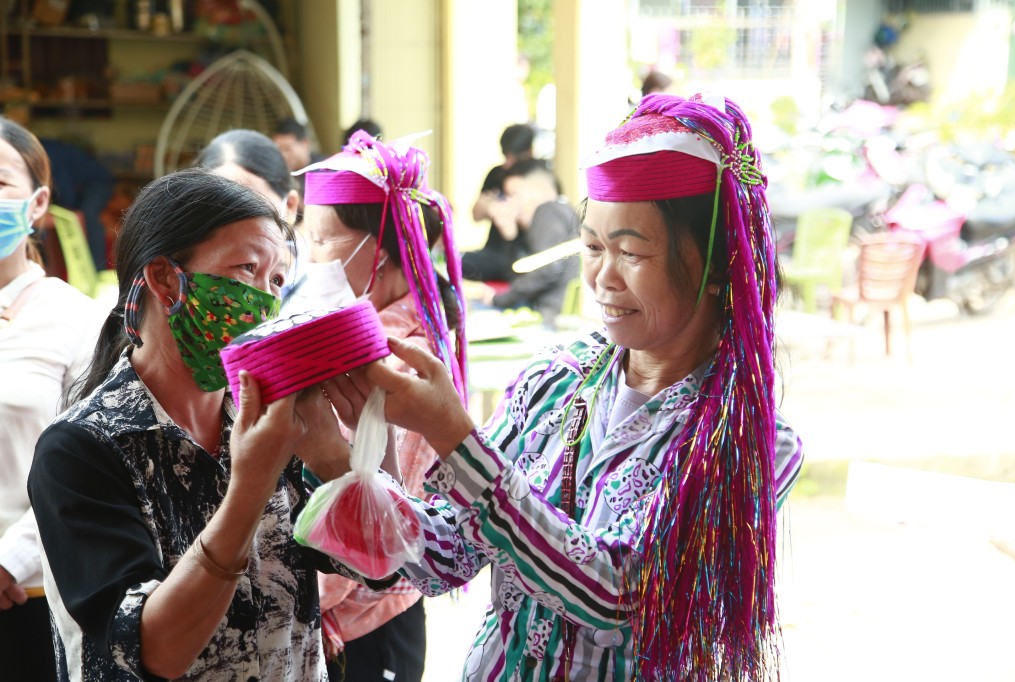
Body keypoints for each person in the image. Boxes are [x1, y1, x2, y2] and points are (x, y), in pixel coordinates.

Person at [335, 93, 805, 680]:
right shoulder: (555, 378)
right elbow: (448, 555)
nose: (602, 277)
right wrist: (334, 457)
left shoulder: (750, 438)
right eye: (592, 247)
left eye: (631, 251)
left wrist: (453, 435)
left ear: (714, 267)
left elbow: (620, 598)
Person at [27, 168, 370, 681]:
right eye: (245, 270)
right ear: (166, 279)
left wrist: (360, 442)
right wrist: (250, 489)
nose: (264, 301)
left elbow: (374, 565)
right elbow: (155, 650)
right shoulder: (81, 450)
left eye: (276, 280)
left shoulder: (275, 420)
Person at [296, 129, 466, 682]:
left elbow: (382, 505)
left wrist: (306, 600)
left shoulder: (398, 358)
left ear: (382, 250)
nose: (308, 254)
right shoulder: (374, 330)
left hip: (363, 615)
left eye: (324, 240)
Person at [0, 117, 104, 682]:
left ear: (38, 202)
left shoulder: (75, 319)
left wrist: (8, 561)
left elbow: (87, 468)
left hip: (32, 596)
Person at [194, 128, 304, 291]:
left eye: (254, 208)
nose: (237, 225)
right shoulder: (195, 288)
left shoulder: (323, 294)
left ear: (290, 207)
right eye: (219, 210)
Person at [483, 158, 579, 327]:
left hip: (550, 319)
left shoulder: (548, 211)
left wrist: (499, 300)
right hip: (548, 315)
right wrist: (510, 236)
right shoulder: (562, 212)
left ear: (542, 190)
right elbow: (519, 273)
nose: (510, 204)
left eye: (514, 195)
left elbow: (547, 269)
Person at [461, 123, 535, 282]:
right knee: (453, 262)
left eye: (514, 157)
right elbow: (476, 214)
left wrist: (510, 216)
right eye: (505, 156)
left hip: (523, 253)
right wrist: (491, 208)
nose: (508, 163)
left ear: (529, 152)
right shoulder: (497, 174)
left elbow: (534, 222)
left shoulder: (537, 176)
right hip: (494, 251)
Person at [39, 137, 115, 270]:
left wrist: (68, 212)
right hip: (77, 187)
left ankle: (98, 269)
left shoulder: (47, 152)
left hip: (98, 183)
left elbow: (64, 186)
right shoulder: (31, 152)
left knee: (88, 215)